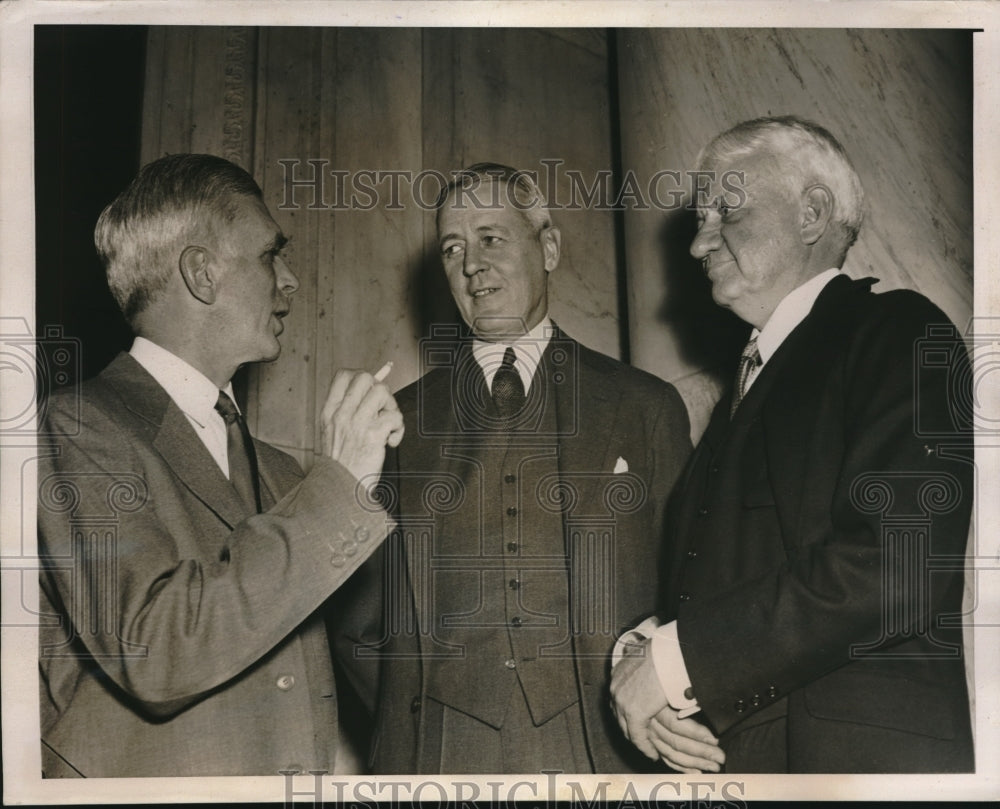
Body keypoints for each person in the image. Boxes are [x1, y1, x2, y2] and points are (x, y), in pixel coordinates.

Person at [610, 116, 974, 773]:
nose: (698, 244)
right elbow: (724, 584)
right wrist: (643, 656)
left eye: (726, 209)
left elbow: (897, 562)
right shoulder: (747, 385)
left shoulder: (899, 332)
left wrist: (679, 659)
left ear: (812, 213)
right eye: (699, 217)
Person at [37, 153, 404, 777]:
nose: (289, 281)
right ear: (202, 273)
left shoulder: (285, 475)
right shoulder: (75, 427)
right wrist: (340, 485)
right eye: (269, 255)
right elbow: (155, 648)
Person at [333, 163, 692, 773]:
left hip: (604, 757)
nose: (471, 263)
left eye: (491, 238)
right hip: (437, 758)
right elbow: (355, 620)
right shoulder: (394, 421)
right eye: (453, 248)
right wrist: (416, 722)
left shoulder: (645, 407)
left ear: (547, 246)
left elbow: (691, 586)